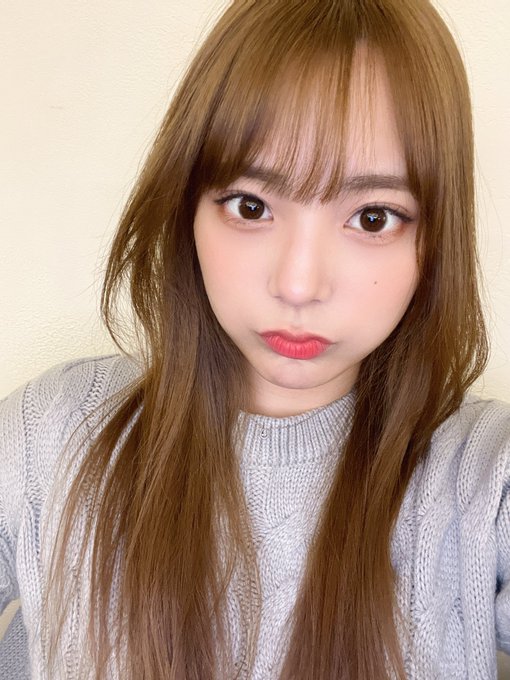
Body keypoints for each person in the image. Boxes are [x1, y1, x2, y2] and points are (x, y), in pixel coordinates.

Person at [1, 0, 509, 678]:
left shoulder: (485, 481)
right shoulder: (48, 437)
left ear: (436, 237)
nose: (299, 285)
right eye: (251, 206)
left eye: (373, 217)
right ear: (186, 208)